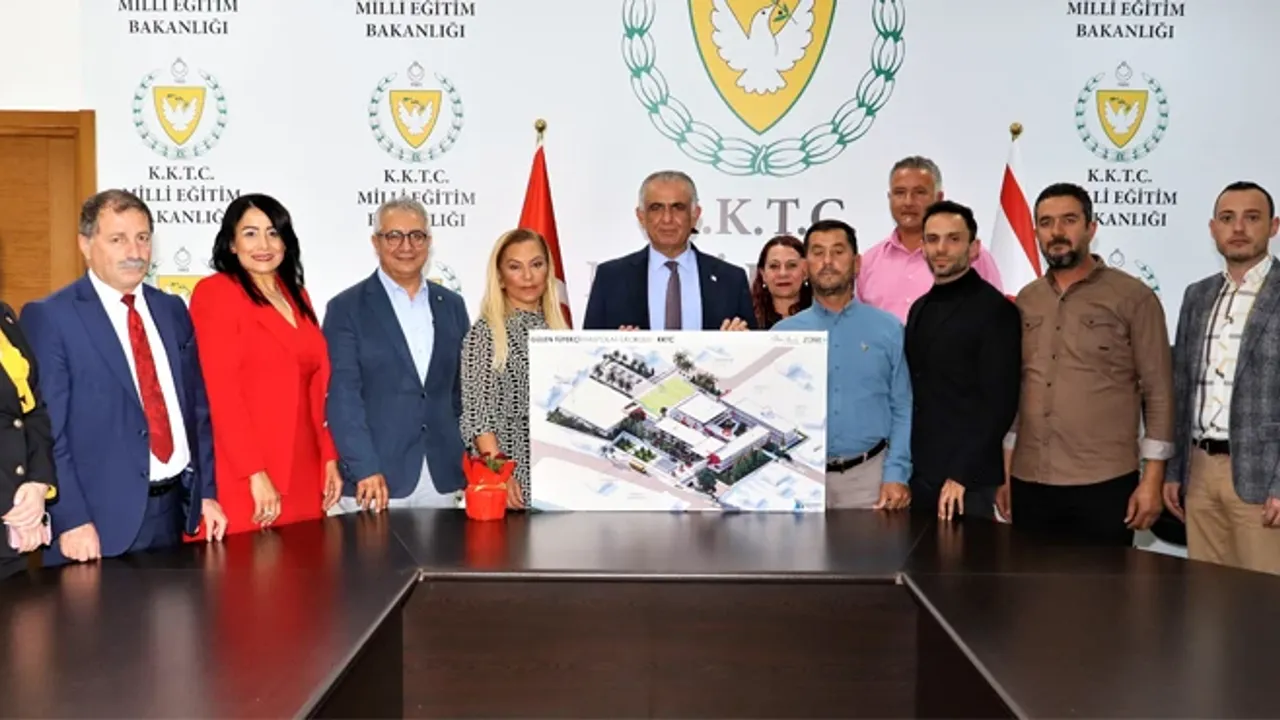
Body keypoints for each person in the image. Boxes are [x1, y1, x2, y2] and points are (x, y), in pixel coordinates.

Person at [20, 190, 226, 564]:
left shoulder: (171, 309)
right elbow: (48, 432)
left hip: (173, 514)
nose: (134, 251)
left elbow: (196, 411)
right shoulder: (52, 317)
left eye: (142, 237)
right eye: (118, 239)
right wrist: (71, 519)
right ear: (86, 244)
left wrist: (207, 493)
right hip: (96, 527)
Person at [1001, 183, 1172, 546]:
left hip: (1104, 482)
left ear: (1091, 228)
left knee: (1103, 584)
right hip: (1030, 478)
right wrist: (1006, 470)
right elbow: (1017, 390)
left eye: (1069, 220)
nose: (1057, 232)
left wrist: (1152, 479)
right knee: (1029, 582)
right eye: (1046, 222)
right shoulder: (1027, 300)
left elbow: (1159, 392)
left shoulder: (1133, 297)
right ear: (1036, 232)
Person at [188, 194, 341, 536]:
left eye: (273, 233)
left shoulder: (298, 296)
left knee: (305, 564)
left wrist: (328, 456)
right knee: (248, 567)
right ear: (231, 243)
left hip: (305, 468)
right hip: (245, 472)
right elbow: (220, 392)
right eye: (250, 233)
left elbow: (318, 388)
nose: (264, 245)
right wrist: (253, 472)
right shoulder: (216, 293)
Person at [323, 198, 470, 513]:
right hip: (374, 479)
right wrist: (364, 467)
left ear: (428, 242)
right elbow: (343, 398)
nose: (407, 246)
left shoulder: (452, 305)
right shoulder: (346, 308)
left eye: (416, 236)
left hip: (442, 477)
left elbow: (459, 393)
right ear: (376, 242)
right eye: (394, 236)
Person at [1165, 181, 1280, 575]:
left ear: (1274, 226)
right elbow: (1181, 389)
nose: (1239, 228)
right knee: (1205, 596)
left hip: (1264, 477)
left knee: (1264, 600)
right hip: (1199, 474)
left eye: (1252, 217)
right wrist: (1174, 471)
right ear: (1213, 229)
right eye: (1228, 218)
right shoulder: (1197, 296)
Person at [774, 219, 912, 511]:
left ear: (857, 263)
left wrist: (896, 473)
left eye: (838, 252)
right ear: (805, 266)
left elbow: (903, 406)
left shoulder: (888, 329)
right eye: (818, 252)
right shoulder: (783, 335)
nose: (827, 261)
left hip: (869, 481)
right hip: (797, 480)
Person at [905, 201, 1020, 520]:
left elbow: (999, 404)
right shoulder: (919, 308)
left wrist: (961, 474)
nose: (941, 248)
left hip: (966, 483)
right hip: (920, 473)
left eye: (953, 239)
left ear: (974, 248)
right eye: (932, 239)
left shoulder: (995, 310)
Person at [460, 228, 570, 509]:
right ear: (499, 277)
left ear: (548, 270)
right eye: (515, 267)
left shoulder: (557, 330)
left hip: (558, 475)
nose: (528, 276)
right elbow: (478, 416)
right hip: (513, 477)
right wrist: (501, 474)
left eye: (536, 264)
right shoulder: (486, 333)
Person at [583, 170, 754, 331]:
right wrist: (616, 346)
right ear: (641, 217)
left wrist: (740, 342)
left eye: (678, 207)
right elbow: (588, 348)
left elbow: (752, 346)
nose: (667, 219)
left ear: (695, 215)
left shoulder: (731, 279)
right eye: (656, 208)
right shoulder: (611, 278)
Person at [857, 156, 1004, 323]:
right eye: (899, 193)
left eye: (919, 192)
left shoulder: (971, 255)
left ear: (939, 197)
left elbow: (995, 317)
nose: (908, 202)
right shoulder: (868, 262)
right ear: (889, 198)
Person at [0, 300, 57, 581]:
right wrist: (8, 504)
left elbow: (32, 409)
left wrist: (38, 484)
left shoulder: (4, 315)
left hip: (14, 537)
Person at [751, 234, 812, 329]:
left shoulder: (823, 318)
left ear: (805, 272)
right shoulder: (747, 320)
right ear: (763, 274)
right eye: (774, 266)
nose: (783, 273)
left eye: (791, 265)